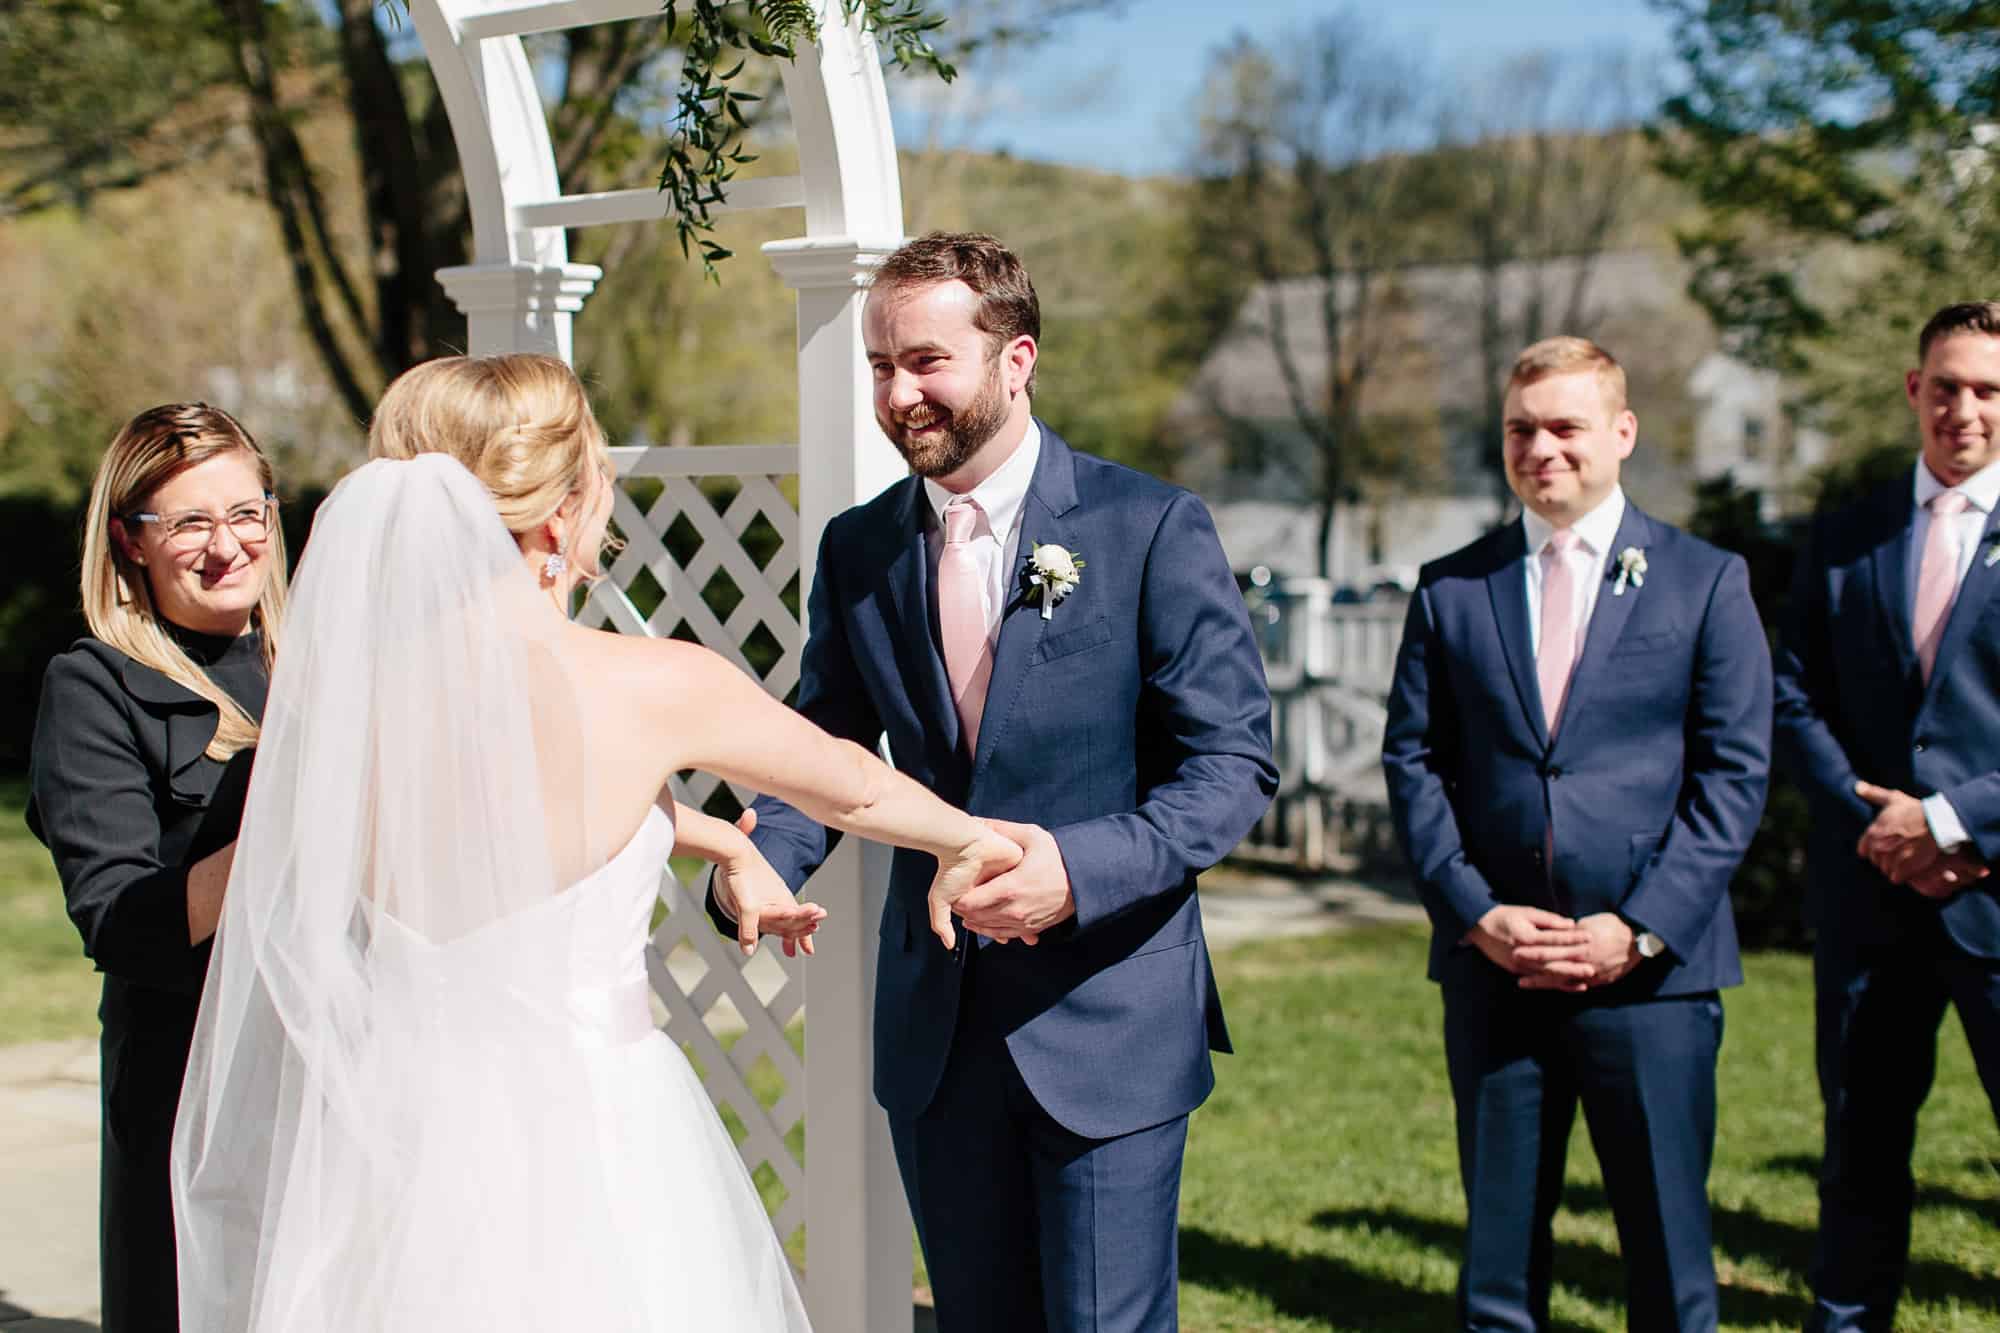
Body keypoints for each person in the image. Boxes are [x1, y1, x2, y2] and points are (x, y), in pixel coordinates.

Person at [169, 352, 1022, 1332]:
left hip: (392, 1147)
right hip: (593, 1144)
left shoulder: (342, 712)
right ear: (563, 513)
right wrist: (964, 842)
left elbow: (490, 830)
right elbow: (856, 788)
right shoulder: (651, 684)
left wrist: (704, 835)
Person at [717, 232, 1277, 1332]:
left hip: (1107, 1013)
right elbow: (819, 739)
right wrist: (757, 859)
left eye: (925, 361)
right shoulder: (858, 549)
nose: (898, 392)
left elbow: (1231, 766)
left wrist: (1071, 868)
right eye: (880, 365)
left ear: (1015, 360)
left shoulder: (1148, 527)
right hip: (939, 1028)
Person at [1382, 336, 1771, 1332]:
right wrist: (1471, 914)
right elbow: (1413, 763)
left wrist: (1633, 929)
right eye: (1520, 428)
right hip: (1495, 971)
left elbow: (1731, 778)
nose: (1540, 447)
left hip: (1649, 979)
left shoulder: (1703, 580)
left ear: (1621, 432)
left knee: (1664, 1252)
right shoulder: (1449, 586)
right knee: (1497, 1267)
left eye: (1564, 425)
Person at [27, 403, 288, 1332]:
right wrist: (294, 819)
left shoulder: (321, 662)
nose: (227, 546)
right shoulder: (92, 687)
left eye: (247, 512)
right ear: (131, 541)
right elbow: (122, 921)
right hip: (192, 1092)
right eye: (189, 523)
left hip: (342, 1072)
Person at [1774, 301, 2000, 1333]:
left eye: (1987, 390)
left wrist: (1950, 822)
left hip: (1992, 894)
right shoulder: (1845, 532)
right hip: (1870, 898)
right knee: (1858, 1145)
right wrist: (1874, 824)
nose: (1963, 409)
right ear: (1912, 388)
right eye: (1945, 385)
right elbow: (1788, 691)